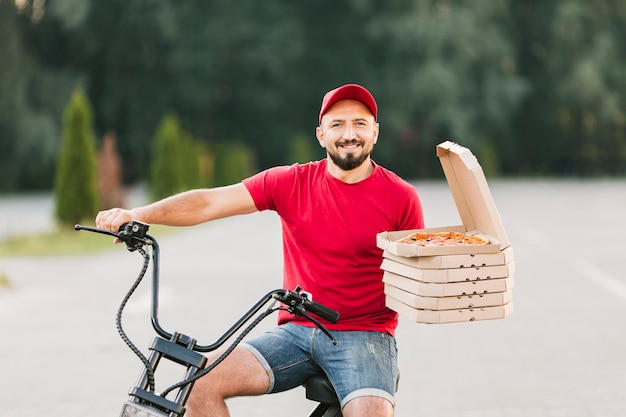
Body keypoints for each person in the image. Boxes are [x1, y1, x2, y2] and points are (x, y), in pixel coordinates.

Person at [95, 83, 424, 417]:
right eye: (337, 124)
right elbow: (209, 202)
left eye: (360, 123)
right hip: (297, 330)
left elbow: (419, 274)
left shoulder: (401, 197)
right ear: (321, 134)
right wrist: (138, 215)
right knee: (198, 381)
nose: (349, 133)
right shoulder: (291, 182)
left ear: (375, 133)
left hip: (365, 334)